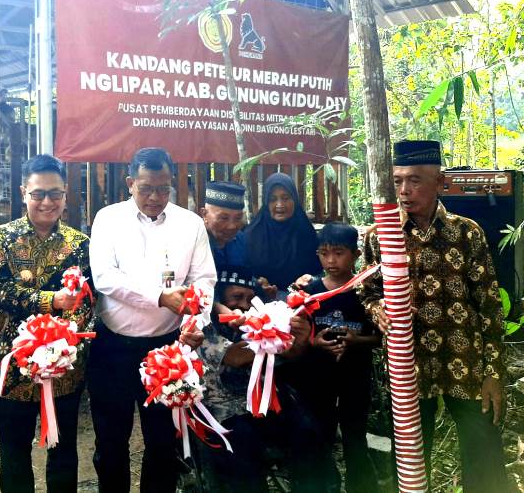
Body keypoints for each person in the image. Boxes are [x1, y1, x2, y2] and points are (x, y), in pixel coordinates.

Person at [361, 140, 508, 492]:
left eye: (414, 180)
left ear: (440, 182)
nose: (404, 191)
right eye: (397, 181)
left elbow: (489, 305)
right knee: (410, 456)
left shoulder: (466, 232)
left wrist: (493, 372)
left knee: (483, 448)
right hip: (408, 365)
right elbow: (367, 292)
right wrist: (379, 310)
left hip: (466, 360)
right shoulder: (381, 236)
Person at [88, 147, 216, 493]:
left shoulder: (190, 224)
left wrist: (195, 322)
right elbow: (105, 278)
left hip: (166, 349)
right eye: (146, 189)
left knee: (162, 441)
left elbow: (204, 280)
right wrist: (159, 296)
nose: (155, 197)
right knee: (111, 440)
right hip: (113, 346)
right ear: (130, 183)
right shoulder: (108, 219)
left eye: (163, 189)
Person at [0, 154, 94, 493]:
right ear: (23, 193)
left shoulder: (80, 245)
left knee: (63, 449)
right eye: (38, 194)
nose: (47, 202)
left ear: (65, 193)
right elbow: (1, 292)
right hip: (12, 362)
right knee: (14, 451)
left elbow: (86, 301)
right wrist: (52, 301)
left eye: (55, 194)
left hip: (64, 365)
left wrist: (62, 345)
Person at [198, 266, 337, 493]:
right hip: (224, 411)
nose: (244, 305)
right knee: (243, 444)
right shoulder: (203, 326)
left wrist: (298, 338)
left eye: (249, 299)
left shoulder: (260, 318)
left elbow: (291, 354)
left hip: (267, 403)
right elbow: (235, 357)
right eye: (236, 297)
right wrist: (275, 336)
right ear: (218, 301)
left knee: (307, 429)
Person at [304, 223, 380, 493]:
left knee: (355, 435)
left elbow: (382, 338)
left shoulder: (366, 293)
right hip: (318, 378)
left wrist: (357, 340)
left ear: (356, 255)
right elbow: (299, 337)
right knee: (321, 434)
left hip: (355, 377)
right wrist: (315, 342)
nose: (331, 261)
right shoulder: (310, 292)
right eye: (324, 254)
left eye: (338, 253)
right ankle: (327, 486)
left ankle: (362, 486)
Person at [244, 172, 322, 300]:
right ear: (266, 202)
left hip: (302, 300)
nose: (279, 204)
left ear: (294, 200)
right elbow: (243, 273)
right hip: (260, 302)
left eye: (285, 198)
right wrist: (257, 283)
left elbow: (319, 272)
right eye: (273, 199)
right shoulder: (252, 235)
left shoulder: (306, 232)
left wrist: (308, 280)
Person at [200, 181, 247, 271]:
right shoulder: (191, 242)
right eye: (224, 218)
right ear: (204, 214)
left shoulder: (241, 240)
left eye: (238, 218)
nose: (232, 226)